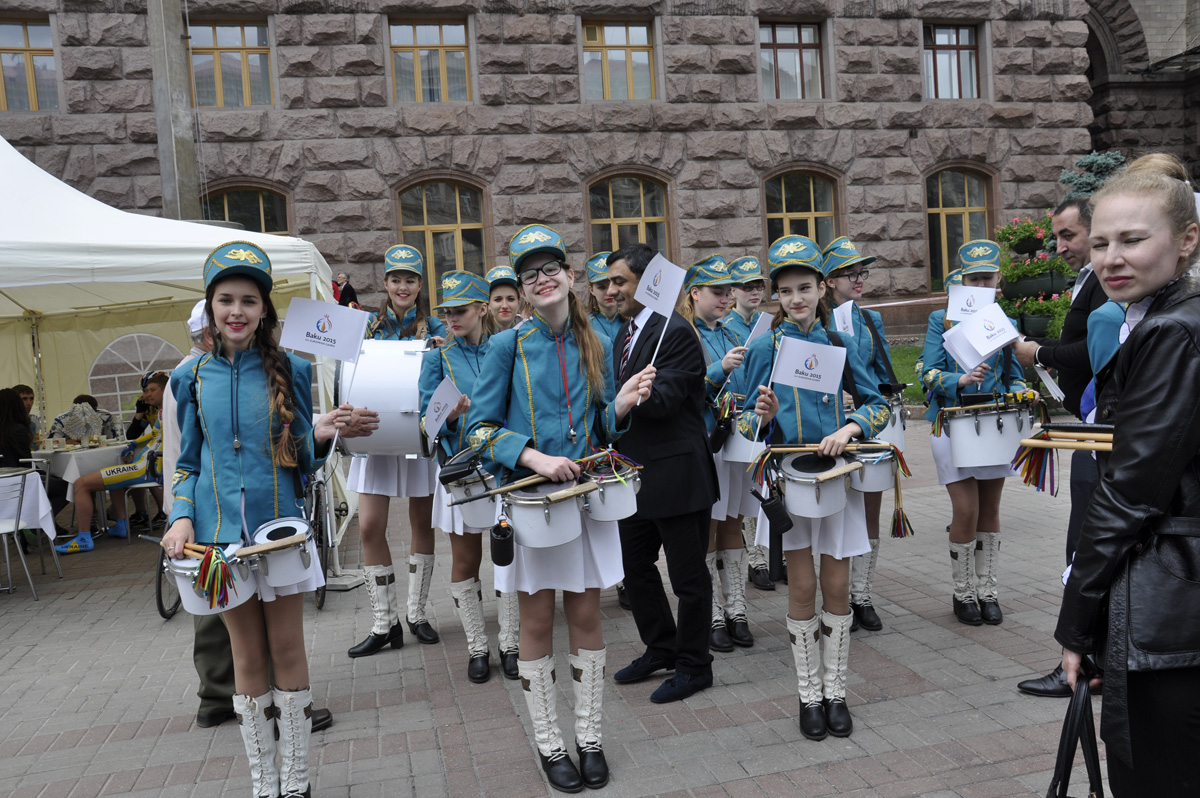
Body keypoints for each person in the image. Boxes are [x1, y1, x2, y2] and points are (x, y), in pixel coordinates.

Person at [466, 225, 654, 792]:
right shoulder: (506, 346)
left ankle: (589, 736)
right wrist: (534, 458)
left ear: (571, 278)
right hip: (532, 503)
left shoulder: (596, 336)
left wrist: (619, 407)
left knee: (588, 615)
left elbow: (601, 422)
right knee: (536, 620)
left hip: (588, 499)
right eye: (531, 275)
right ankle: (550, 744)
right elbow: (476, 431)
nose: (543, 280)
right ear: (523, 291)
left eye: (552, 269)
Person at [162, 241, 348, 798]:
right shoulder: (189, 377)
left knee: (288, 648)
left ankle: (296, 777)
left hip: (281, 531)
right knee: (245, 654)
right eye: (226, 300)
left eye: (248, 300)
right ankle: (263, 781)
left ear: (264, 309)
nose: (237, 310)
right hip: (219, 542)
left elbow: (301, 458)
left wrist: (320, 433)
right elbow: (187, 462)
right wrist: (181, 517)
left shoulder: (290, 367)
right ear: (210, 307)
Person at [1056, 167, 1200, 796]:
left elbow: (1132, 493)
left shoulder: (1173, 330)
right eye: (1101, 244)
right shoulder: (1161, 317)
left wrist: (1076, 622)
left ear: (1187, 239)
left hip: (1171, 608)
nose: (1111, 260)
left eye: (1133, 241)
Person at [737, 234, 889, 741]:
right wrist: (763, 418)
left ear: (822, 288)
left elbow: (878, 403)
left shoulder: (839, 343)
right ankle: (808, 695)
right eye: (786, 291)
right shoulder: (763, 346)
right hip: (789, 480)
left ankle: (836, 692)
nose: (797, 299)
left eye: (805, 288)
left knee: (839, 585)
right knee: (801, 586)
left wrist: (849, 427)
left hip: (836, 477)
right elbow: (740, 421)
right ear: (775, 296)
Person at [604, 242, 721, 705]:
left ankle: (695, 665)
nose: (611, 290)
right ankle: (661, 647)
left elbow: (666, 401)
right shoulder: (625, 334)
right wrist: (616, 401)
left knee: (688, 579)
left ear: (647, 282)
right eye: (608, 282)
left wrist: (635, 395)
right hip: (633, 478)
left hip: (677, 478)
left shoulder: (675, 332)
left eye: (620, 281)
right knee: (635, 572)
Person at [1012, 197, 1108, 697]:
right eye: (1056, 237)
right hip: (1093, 428)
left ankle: (1081, 662)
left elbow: (1096, 351)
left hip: (1103, 433)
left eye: (1069, 235)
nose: (1060, 247)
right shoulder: (1091, 280)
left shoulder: (1108, 283)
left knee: (1085, 548)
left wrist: (1039, 352)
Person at [921, 240, 1035, 626]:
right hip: (952, 423)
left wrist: (1023, 391)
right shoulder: (943, 319)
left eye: (987, 277)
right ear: (962, 280)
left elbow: (1013, 373)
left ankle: (988, 590)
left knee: (990, 508)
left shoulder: (1003, 320)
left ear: (997, 279)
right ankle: (963, 591)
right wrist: (961, 378)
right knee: (965, 509)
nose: (981, 284)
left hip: (993, 423)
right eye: (974, 278)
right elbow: (928, 373)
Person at [418, 270, 520, 683]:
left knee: (510, 556)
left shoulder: (508, 347)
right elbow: (426, 423)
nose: (452, 320)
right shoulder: (436, 358)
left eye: (460, 311)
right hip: (460, 469)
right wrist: (448, 415)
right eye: (446, 313)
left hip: (504, 466)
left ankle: (511, 643)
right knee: (465, 558)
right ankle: (478, 646)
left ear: (482, 309)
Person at [346, 245, 447, 657]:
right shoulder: (366, 326)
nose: (403, 286)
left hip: (418, 436)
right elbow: (344, 371)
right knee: (370, 526)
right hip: (374, 437)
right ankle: (383, 622)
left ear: (420, 284)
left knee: (422, 523)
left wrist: (447, 350)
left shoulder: (438, 325)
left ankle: (416, 613)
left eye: (410, 279)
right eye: (395, 279)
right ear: (385, 283)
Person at [677, 254, 753, 652]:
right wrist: (719, 369)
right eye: (716, 291)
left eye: (728, 291)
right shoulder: (684, 333)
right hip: (707, 441)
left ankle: (737, 606)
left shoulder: (727, 331)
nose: (725, 298)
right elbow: (685, 390)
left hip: (738, 438)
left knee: (734, 522)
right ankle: (711, 613)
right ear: (694, 293)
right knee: (706, 526)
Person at [821, 237, 897, 633]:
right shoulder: (815, 321)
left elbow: (883, 376)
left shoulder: (870, 321)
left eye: (862, 272)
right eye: (851, 273)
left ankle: (862, 594)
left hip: (863, 424)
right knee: (833, 510)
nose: (859, 279)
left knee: (869, 509)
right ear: (829, 281)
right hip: (826, 428)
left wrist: (873, 397)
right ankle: (833, 598)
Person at [52, 374, 168, 554]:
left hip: (146, 469)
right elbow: (155, 434)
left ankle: (83, 538)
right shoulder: (163, 410)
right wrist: (134, 443)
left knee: (80, 484)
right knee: (113, 476)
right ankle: (121, 525)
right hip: (144, 466)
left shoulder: (170, 410)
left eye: (152, 390)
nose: (147, 395)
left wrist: (162, 466)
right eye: (146, 391)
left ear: (165, 389)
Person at [725, 257, 775, 591]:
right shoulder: (726, 325)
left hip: (763, 408)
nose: (754, 291)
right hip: (736, 411)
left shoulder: (766, 323)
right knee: (746, 488)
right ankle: (754, 557)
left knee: (764, 481)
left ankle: (768, 553)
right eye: (747, 286)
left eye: (759, 285)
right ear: (733, 292)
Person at [583, 251, 623, 343]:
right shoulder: (584, 327)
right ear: (591, 290)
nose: (609, 292)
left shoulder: (633, 324)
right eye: (602, 287)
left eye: (614, 284)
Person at [48, 395, 118, 442]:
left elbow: (112, 439)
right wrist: (68, 443)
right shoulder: (61, 420)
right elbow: (51, 442)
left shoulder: (105, 416)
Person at [0, 387, 32, 468]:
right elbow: (27, 462)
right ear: (18, 405)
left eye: (31, 399)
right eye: (24, 399)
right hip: (16, 476)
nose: (29, 403)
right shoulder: (18, 429)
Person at [486, 265, 522, 331]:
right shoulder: (477, 337)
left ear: (519, 303)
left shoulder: (530, 334)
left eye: (510, 299)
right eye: (498, 300)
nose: (504, 306)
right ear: (488, 304)